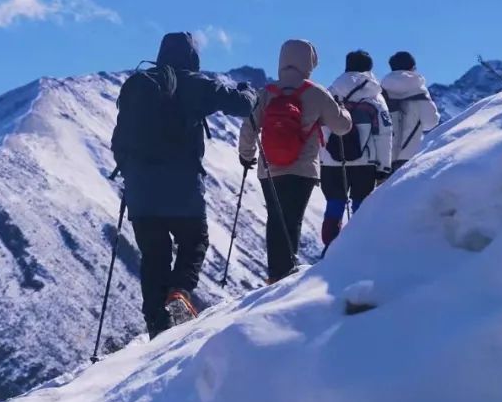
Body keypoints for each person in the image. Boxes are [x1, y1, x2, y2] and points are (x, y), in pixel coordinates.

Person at [111, 32, 256, 339]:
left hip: (140, 190)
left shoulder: (138, 85)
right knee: (194, 241)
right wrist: (248, 91)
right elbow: (242, 106)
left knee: (154, 255)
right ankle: (179, 292)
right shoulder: (195, 84)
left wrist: (130, 174)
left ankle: (156, 323)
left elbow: (119, 139)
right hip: (183, 188)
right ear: (193, 57)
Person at [238, 40, 351, 283]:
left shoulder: (267, 93)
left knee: (275, 217)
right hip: (303, 169)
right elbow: (342, 127)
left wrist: (246, 155)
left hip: (270, 169)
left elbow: (249, 126)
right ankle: (287, 269)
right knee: (293, 217)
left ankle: (274, 273)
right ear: (308, 62)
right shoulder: (316, 93)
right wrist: (344, 110)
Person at [319, 50, 393, 251]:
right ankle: (358, 250)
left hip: (332, 161)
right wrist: (384, 167)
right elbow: (384, 134)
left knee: (334, 205)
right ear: (369, 69)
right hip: (365, 162)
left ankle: (330, 250)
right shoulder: (375, 97)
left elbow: (321, 130)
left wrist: (322, 159)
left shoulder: (329, 93)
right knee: (361, 207)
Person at [381, 51, 440, 171]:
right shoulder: (418, 89)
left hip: (384, 156)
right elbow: (431, 122)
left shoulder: (381, 90)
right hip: (410, 155)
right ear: (412, 68)